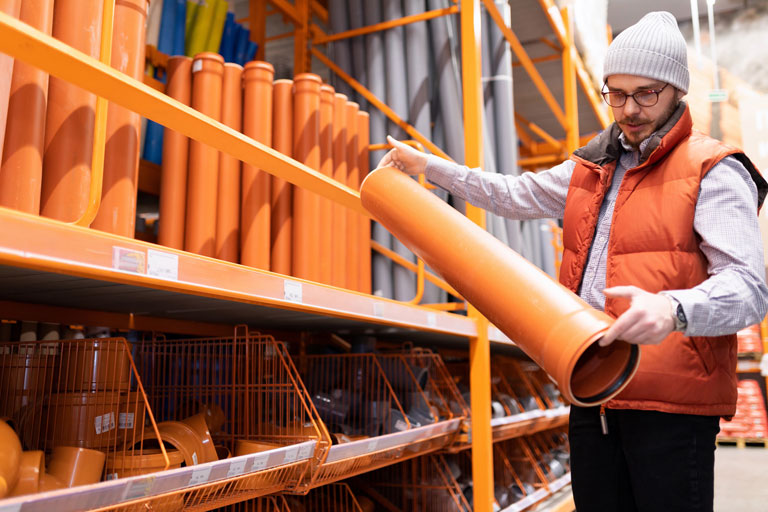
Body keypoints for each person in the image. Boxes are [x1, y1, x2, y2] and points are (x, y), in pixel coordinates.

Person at [377, 11, 768, 512]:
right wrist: (431, 168)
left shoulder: (713, 169)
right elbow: (513, 194)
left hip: (669, 408)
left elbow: (748, 289)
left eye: (646, 93)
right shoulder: (591, 167)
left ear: (675, 90)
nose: (629, 109)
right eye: (616, 93)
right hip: (592, 391)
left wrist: (672, 309)